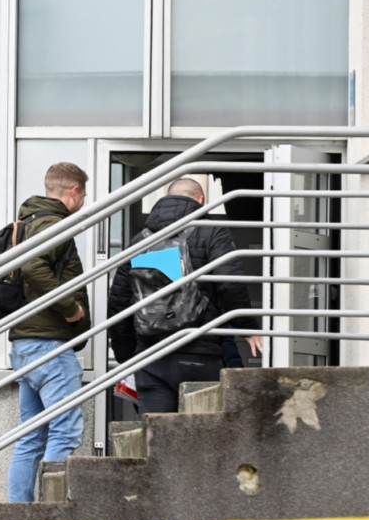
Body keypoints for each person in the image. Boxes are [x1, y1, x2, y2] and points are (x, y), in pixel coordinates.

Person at [108, 177, 264, 414]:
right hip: (199, 349)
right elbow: (229, 282)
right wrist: (248, 327)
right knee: (203, 436)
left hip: (150, 355)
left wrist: (128, 355)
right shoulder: (211, 232)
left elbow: (119, 302)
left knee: (158, 438)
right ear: (201, 200)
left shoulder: (139, 241)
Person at [7, 162, 92, 504]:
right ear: (73, 192)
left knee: (32, 436)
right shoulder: (53, 223)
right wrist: (70, 307)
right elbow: (32, 266)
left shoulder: (28, 220)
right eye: (84, 194)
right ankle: (51, 514)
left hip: (27, 343)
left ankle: (19, 513)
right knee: (66, 431)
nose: (84, 201)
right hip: (48, 346)